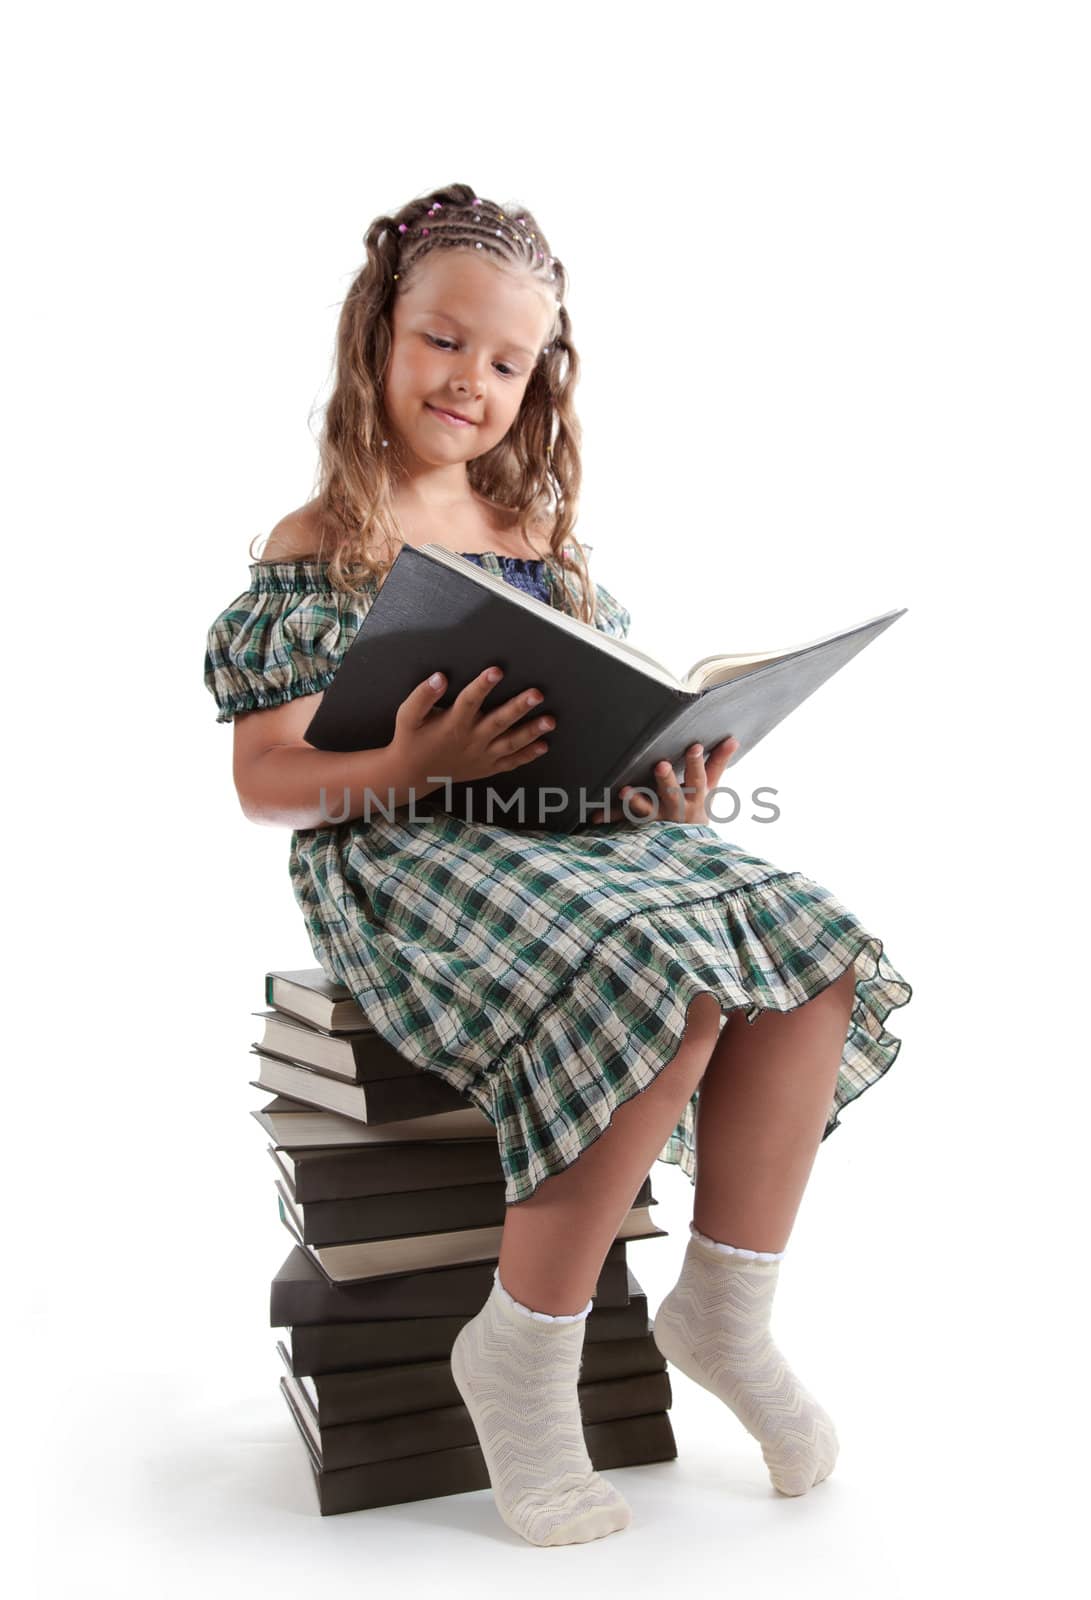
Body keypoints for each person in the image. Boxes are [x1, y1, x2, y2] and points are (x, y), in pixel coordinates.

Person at [203, 182, 913, 1548]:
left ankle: (727, 1305)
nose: (472, 380)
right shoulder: (319, 551)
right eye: (444, 342)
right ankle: (521, 1358)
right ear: (380, 339)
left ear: (540, 380)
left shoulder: (542, 544)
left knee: (807, 937)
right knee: (661, 969)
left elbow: (603, 722)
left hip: (582, 832)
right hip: (408, 851)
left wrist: (671, 777)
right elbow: (265, 779)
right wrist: (408, 763)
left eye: (507, 361)